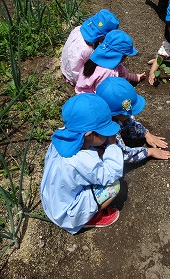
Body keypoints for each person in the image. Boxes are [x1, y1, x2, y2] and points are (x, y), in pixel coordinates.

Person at [41, 93, 124, 234]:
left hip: (52, 200)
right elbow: (112, 173)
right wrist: (112, 145)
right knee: (114, 186)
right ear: (89, 135)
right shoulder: (81, 160)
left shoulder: (60, 138)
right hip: (66, 214)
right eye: (105, 133)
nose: (108, 136)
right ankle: (89, 218)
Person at [96, 77, 170, 162]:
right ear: (116, 114)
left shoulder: (109, 112)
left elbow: (128, 123)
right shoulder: (108, 130)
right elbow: (123, 155)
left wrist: (146, 133)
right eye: (127, 113)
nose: (131, 114)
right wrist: (149, 151)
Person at [75, 29, 146, 94]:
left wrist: (136, 77)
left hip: (82, 90)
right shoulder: (108, 73)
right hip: (89, 98)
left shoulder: (95, 58)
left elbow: (124, 74)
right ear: (120, 57)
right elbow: (102, 93)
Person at [61, 9, 120, 86]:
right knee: (109, 72)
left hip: (65, 67)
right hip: (74, 78)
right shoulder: (88, 49)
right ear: (103, 37)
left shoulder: (78, 29)